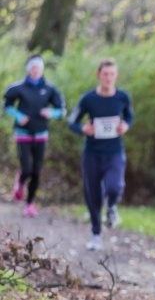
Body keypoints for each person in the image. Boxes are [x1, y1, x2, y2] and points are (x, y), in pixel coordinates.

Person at [68, 58, 134, 251]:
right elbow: (72, 121)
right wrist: (82, 129)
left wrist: (126, 125)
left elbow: (129, 115)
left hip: (114, 151)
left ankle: (112, 208)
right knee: (93, 195)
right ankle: (96, 233)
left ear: (116, 76)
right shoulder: (88, 99)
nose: (108, 78)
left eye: (112, 74)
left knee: (115, 186)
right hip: (92, 153)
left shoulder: (122, 97)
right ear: (98, 75)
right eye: (105, 74)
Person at [3, 54, 66, 217]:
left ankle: (29, 204)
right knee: (27, 168)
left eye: (38, 68)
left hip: (41, 133)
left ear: (42, 69)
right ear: (28, 69)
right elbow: (6, 105)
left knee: (36, 171)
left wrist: (51, 112)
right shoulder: (18, 88)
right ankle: (21, 181)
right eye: (33, 67)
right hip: (23, 133)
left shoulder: (50, 89)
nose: (36, 70)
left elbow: (61, 111)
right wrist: (18, 116)